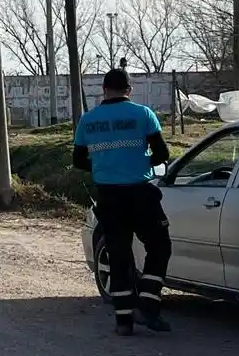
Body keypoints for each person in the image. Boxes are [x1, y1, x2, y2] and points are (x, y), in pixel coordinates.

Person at [72, 68, 173, 336]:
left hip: (108, 195)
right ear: (129, 90)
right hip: (140, 192)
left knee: (118, 254)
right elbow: (162, 152)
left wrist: (105, 164)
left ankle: (123, 320)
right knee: (159, 246)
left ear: (104, 90)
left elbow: (78, 161)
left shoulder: (88, 121)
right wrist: (140, 161)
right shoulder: (143, 114)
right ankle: (149, 301)